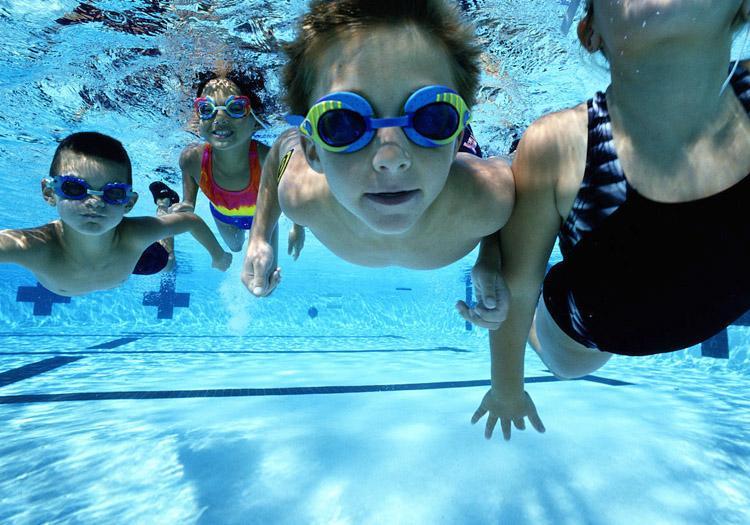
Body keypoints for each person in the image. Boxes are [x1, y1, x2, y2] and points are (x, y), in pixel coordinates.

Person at [458, 0, 750, 440]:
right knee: (566, 367)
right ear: (590, 32)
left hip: (701, 298)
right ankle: (505, 210)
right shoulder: (560, 144)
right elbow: (520, 286)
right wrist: (507, 386)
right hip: (594, 321)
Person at [242, 0, 514, 299]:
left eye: (432, 117)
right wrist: (259, 237)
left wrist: (492, 255)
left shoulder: (488, 201)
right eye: (343, 123)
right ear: (313, 151)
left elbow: (523, 161)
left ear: (458, 139)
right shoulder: (301, 197)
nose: (390, 158)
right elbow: (283, 145)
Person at [0, 132, 231, 296]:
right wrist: (218, 255)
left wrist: (218, 255)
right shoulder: (35, 246)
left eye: (113, 193)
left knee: (167, 262)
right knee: (168, 263)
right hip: (121, 260)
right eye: (74, 188)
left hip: (129, 254)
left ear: (128, 203)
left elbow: (191, 220)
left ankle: (163, 204)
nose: (95, 203)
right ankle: (164, 202)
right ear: (50, 193)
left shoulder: (134, 235)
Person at [171, 70, 305, 275]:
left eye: (235, 107)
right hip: (223, 216)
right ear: (199, 122)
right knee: (235, 247)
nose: (220, 117)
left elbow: (291, 192)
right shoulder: (191, 159)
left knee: (265, 279)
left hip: (264, 217)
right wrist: (188, 202)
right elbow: (188, 187)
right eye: (206, 109)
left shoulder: (267, 159)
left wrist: (298, 227)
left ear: (254, 120)